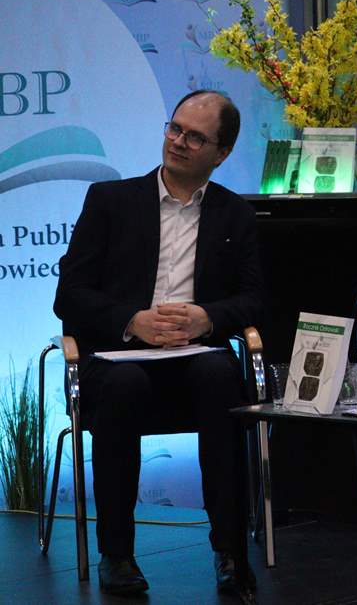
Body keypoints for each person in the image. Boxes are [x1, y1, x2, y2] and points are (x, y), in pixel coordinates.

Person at [53, 91, 263, 598]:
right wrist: (133, 321)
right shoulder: (110, 201)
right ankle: (116, 554)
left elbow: (257, 298)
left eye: (196, 137)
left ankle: (230, 550)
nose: (179, 142)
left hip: (195, 358)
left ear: (222, 153)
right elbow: (69, 294)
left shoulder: (235, 213)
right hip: (115, 357)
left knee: (221, 376)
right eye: (175, 129)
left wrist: (207, 318)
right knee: (125, 384)